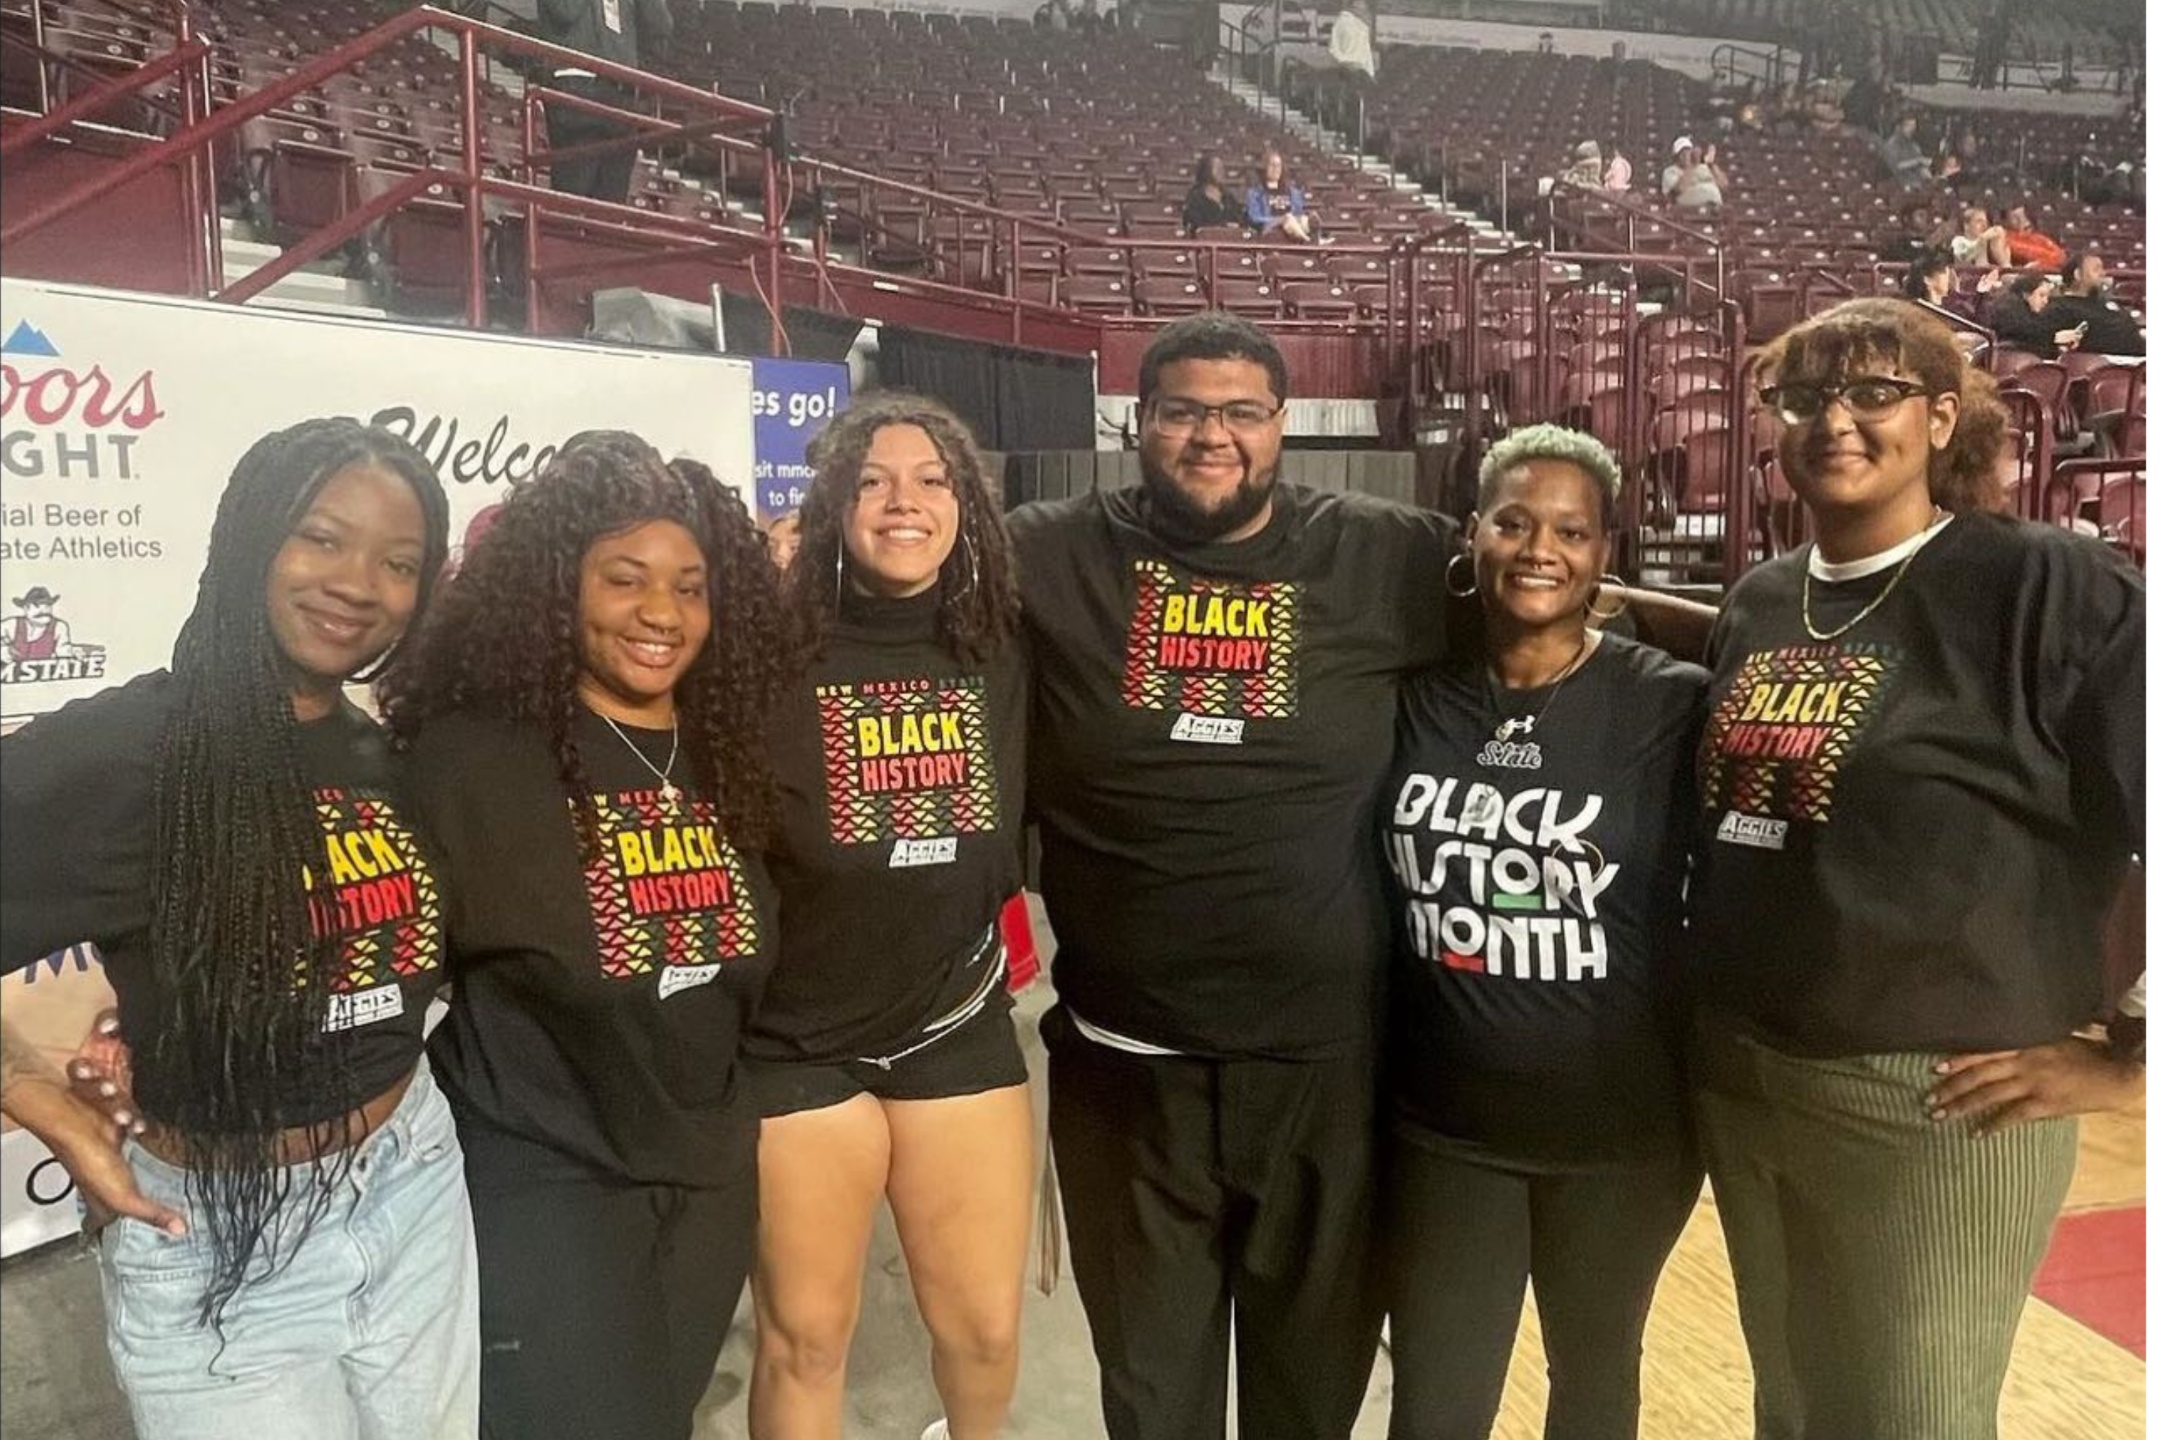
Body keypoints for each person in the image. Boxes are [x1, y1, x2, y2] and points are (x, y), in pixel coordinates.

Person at [1007, 312, 1715, 1440]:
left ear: (1282, 426)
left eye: (1242, 412)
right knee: (1151, 1394)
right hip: (1126, 1069)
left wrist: (1743, 628)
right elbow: (912, 555)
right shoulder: (1048, 550)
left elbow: (1536, 570)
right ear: (1138, 423)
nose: (1212, 436)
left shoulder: (1381, 550)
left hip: (1324, 1073)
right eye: (1185, 411)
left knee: (1314, 1390)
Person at [1694, 298, 2144, 1440]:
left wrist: (2140, 1062)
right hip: (1749, 1081)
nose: (1834, 422)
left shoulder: (2049, 585)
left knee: (1915, 1421)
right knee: (1791, 1412)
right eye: (1803, 399)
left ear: (1944, 417)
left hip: (1936, 1106)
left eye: (1874, 393)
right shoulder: (1757, 599)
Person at [0, 419, 471, 1438]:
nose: (358, 583)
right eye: (322, 538)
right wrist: (32, 1092)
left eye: (399, 563)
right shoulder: (133, 753)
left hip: (414, 1183)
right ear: (252, 536)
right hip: (219, 1235)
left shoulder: (380, 748)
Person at [380, 433, 791, 1440]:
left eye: (690, 588)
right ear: (558, 589)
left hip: (703, 1177)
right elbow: (361, 948)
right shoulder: (470, 760)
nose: (662, 613)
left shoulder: (727, 752)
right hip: (545, 1181)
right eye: (626, 579)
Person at [1381, 424, 1707, 1440]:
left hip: (1622, 1134)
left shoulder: (1669, 704)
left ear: (1606, 553)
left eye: (1573, 530)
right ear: (1472, 532)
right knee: (1436, 1405)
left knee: (1596, 1389)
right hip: (1445, 1131)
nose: (1540, 549)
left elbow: (1771, 634)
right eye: (1514, 521)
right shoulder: (1412, 695)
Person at [745, 394, 1033, 1440]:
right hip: (795, 1043)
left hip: (949, 1023)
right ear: (829, 507)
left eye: (930, 480)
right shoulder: (765, 648)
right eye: (871, 480)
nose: (902, 501)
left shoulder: (1002, 641)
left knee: (987, 1334)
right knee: (808, 1337)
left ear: (967, 507)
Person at [535, 0, 673, 203]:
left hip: (622, 91)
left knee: (612, 197)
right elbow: (564, 11)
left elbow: (660, 27)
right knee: (575, 188)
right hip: (577, 83)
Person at [2050, 251, 2146, 357]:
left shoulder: (2110, 305)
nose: (2103, 273)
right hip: (2097, 368)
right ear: (2077, 274)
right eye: (2096, 269)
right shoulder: (2060, 307)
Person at [1989, 270, 2084, 359]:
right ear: (2026, 294)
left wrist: (2058, 347)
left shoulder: (2033, 314)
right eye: (2041, 295)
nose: (2045, 301)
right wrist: (2054, 337)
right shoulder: (2008, 308)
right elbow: (2023, 334)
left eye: (2047, 296)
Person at [1903, 247, 1998, 326]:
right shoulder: (1917, 314)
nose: (1947, 278)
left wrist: (1982, 294)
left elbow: (1980, 328)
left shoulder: (1955, 307)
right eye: (1943, 273)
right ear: (1928, 280)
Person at [1246, 149, 1314, 242]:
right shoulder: (1255, 193)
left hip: (1291, 225)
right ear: (1265, 168)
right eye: (1272, 165)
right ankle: (1308, 241)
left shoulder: (1293, 193)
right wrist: (1279, 220)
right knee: (1288, 218)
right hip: (1270, 227)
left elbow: (1299, 213)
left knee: (1306, 219)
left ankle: (1314, 239)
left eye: (1278, 166)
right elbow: (1255, 218)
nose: (1275, 169)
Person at [1182, 153, 1248, 235]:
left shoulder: (1228, 196)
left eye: (1222, 168)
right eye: (1217, 169)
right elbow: (1194, 223)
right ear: (1206, 170)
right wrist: (1222, 226)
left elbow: (1238, 217)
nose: (1221, 172)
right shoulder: (1195, 196)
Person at [1661, 137, 1725, 215]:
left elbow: (1723, 185)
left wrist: (1711, 164)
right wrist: (1693, 165)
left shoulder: (1702, 168)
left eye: (1688, 152)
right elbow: (1679, 189)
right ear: (1676, 157)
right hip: (1687, 211)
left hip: (1714, 210)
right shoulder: (1670, 171)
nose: (1686, 156)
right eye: (1682, 154)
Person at [2002, 203, 2068, 271]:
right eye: (2015, 218)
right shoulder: (2006, 238)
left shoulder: (2038, 237)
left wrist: (2041, 263)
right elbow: (2025, 253)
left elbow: (2060, 256)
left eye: (2023, 216)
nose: (2022, 221)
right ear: (2005, 222)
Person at [1950, 205, 2012, 269]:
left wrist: (1999, 253)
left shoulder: (1989, 243)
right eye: (1979, 221)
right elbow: (1973, 270)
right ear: (1966, 225)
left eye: (1985, 222)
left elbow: (2007, 269)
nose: (1984, 225)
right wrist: (1982, 239)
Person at [1879, 113, 1930, 188]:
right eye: (1908, 126)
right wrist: (1917, 161)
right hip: (1898, 184)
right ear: (1899, 127)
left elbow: (1921, 165)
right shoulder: (1892, 144)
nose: (1912, 129)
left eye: (1914, 126)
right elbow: (1895, 166)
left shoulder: (1914, 146)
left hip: (1917, 184)